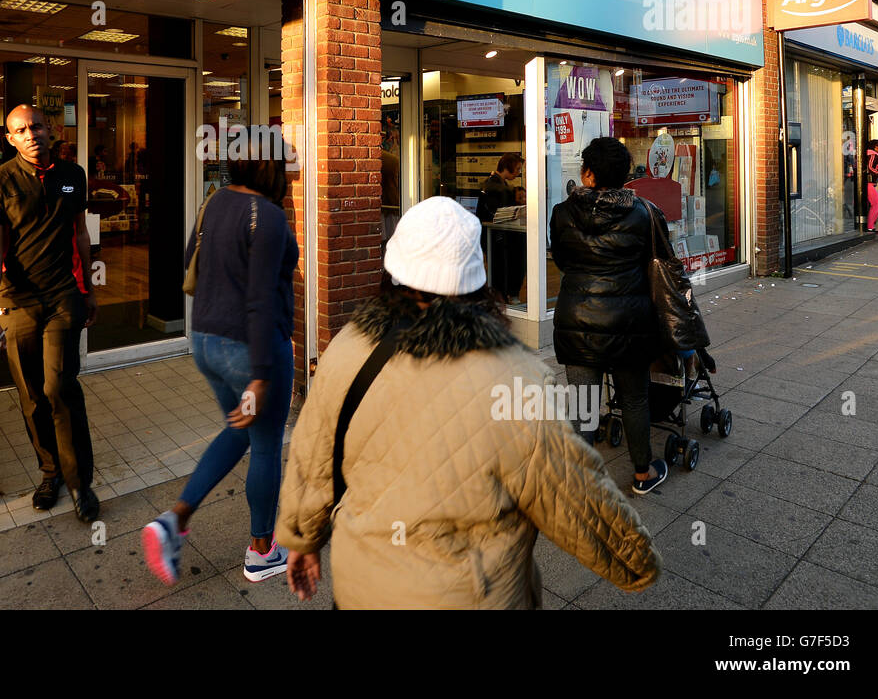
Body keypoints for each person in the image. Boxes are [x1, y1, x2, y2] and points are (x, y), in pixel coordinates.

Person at [275, 196, 659, 609]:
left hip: (362, 592)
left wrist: (302, 537)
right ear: (478, 280)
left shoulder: (349, 348)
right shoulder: (516, 378)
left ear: (394, 270)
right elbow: (573, 493)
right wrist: (636, 562)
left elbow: (314, 455)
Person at [142, 156, 299, 585]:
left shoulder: (213, 203)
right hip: (252, 349)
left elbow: (188, 258)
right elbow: (262, 298)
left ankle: (174, 520)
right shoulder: (266, 216)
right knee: (265, 445)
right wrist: (261, 376)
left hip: (206, 341)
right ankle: (263, 550)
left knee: (237, 430)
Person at [550, 136, 701, 496]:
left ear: (587, 174)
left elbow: (563, 263)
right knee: (634, 399)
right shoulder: (645, 213)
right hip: (630, 324)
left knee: (583, 404)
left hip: (577, 322)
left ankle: (581, 482)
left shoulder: (561, 213)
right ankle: (642, 474)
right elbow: (664, 263)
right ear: (623, 176)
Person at [0, 105, 100, 522]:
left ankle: (81, 482)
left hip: (63, 296)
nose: (30, 135)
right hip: (18, 302)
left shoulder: (72, 175)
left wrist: (90, 292)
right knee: (32, 396)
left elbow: (80, 233)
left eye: (36, 126)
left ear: (50, 129)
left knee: (61, 388)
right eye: (20, 130)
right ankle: (51, 473)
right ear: (10, 139)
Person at [476, 152, 526, 303]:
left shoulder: (497, 185)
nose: (518, 173)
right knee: (499, 269)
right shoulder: (495, 186)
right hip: (496, 237)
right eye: (517, 169)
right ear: (507, 167)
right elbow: (494, 213)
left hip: (497, 236)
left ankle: (503, 296)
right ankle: (501, 297)